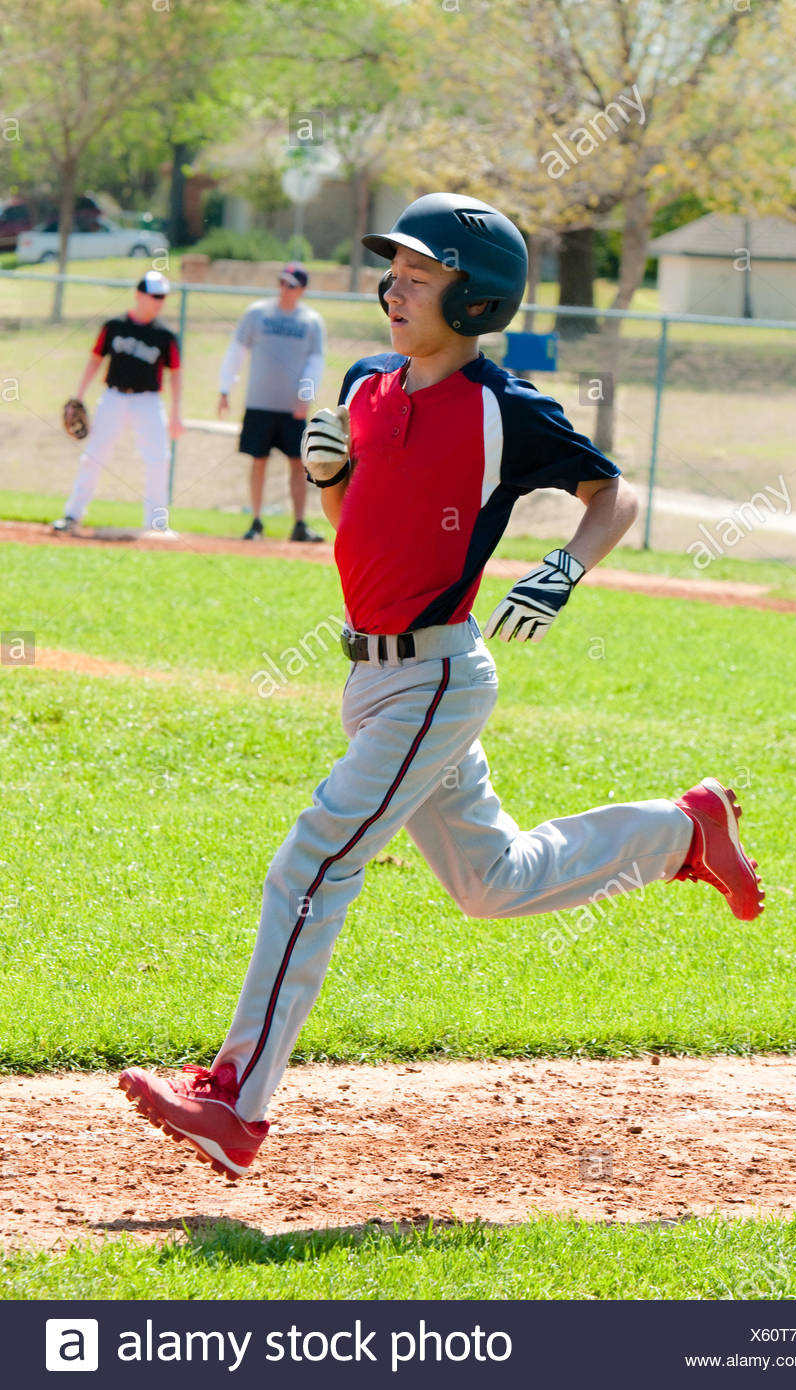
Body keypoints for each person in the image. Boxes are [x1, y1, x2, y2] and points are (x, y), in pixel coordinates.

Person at [119, 193, 763, 1179]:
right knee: (492, 882)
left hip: (435, 677)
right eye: (394, 271)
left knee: (311, 863)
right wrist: (328, 473)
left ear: (474, 300)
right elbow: (353, 530)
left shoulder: (503, 407)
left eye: (421, 275)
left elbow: (612, 490)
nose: (394, 287)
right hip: (375, 680)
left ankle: (235, 1102)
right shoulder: (366, 381)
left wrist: (564, 566)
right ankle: (682, 831)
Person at [52, 270, 183, 537]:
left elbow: (176, 375)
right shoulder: (114, 326)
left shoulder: (165, 336)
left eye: (163, 297)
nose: (160, 301)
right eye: (155, 295)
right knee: (93, 456)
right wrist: (78, 395)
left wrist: (176, 415)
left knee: (159, 459)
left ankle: (156, 523)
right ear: (139, 295)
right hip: (113, 398)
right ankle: (72, 515)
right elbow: (95, 360)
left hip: (148, 401)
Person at [217, 261, 325, 542]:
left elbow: (315, 363)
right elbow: (236, 351)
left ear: (302, 289)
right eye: (282, 283)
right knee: (258, 461)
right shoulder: (257, 314)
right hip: (259, 403)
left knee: (297, 464)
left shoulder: (311, 322)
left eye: (291, 285)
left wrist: (305, 397)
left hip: (293, 409)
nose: (285, 289)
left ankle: (299, 525)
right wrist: (225, 389)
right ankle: (255, 522)